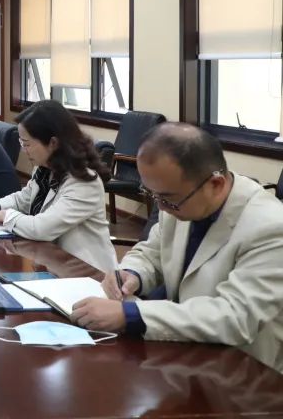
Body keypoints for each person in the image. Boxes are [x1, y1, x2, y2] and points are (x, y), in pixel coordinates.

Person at [70, 123, 283, 371]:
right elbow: (152, 252)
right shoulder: (180, 198)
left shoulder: (270, 228)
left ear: (215, 185)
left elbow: (235, 316)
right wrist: (132, 273)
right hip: (185, 353)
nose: (160, 207)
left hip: (246, 372)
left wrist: (130, 315)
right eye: (152, 194)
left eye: (167, 199)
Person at [0, 100, 117, 272]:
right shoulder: (45, 169)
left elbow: (42, 228)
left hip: (86, 272)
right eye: (21, 143)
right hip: (51, 262)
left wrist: (5, 216)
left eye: (27, 144)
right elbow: (24, 198)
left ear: (53, 143)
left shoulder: (83, 182)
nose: (24, 150)